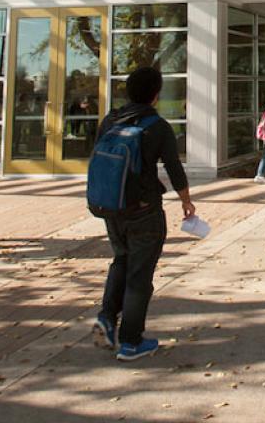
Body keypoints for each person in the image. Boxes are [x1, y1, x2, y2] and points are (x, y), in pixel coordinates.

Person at [91, 66, 195, 362]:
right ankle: (131, 342)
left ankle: (107, 318)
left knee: (121, 260)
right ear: (155, 94)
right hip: (144, 211)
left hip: (112, 207)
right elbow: (174, 168)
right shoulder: (157, 126)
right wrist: (186, 201)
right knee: (140, 275)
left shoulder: (110, 120)